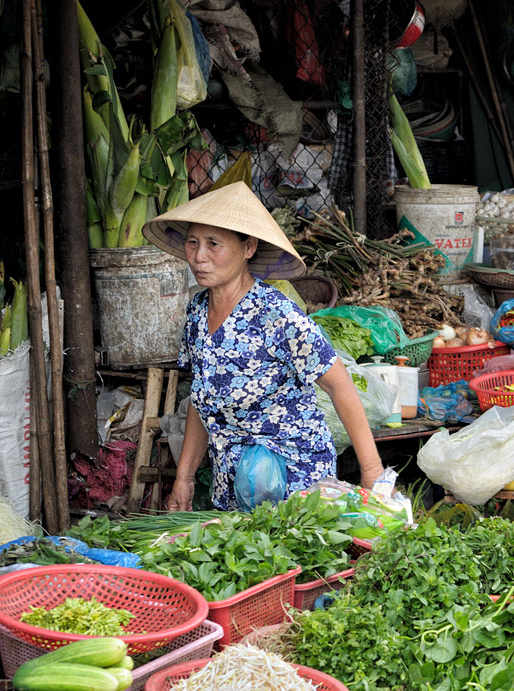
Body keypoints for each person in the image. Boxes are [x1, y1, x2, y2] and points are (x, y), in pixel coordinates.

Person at [143, 182, 384, 512]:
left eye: (214, 244)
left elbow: (339, 383)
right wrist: (183, 479)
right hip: (235, 480)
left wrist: (372, 474)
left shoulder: (276, 313)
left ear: (248, 248)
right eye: (193, 242)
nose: (199, 257)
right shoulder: (197, 311)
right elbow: (202, 400)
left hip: (294, 479)